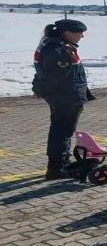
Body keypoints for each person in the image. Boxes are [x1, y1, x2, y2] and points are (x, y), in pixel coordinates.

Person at [32, 19, 95, 179]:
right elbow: (54, 77)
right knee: (62, 131)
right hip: (66, 96)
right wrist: (50, 93)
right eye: (79, 33)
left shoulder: (54, 45)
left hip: (64, 95)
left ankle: (58, 163)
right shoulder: (58, 50)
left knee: (60, 129)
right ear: (67, 33)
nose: (82, 36)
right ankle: (58, 167)